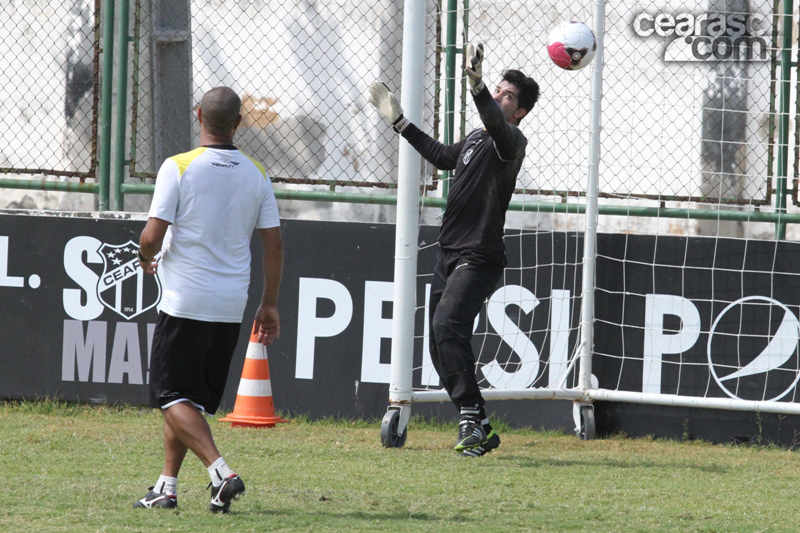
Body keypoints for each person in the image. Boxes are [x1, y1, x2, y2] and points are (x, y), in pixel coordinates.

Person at [369, 44, 539, 457]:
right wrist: (400, 123)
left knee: (447, 325)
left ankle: (470, 416)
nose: (499, 96)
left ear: (519, 112)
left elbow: (495, 122)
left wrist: (477, 86)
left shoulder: (511, 140)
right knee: (438, 340)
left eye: (508, 96)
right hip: (449, 253)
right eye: (497, 90)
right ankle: (479, 425)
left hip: (478, 255)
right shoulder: (478, 137)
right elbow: (443, 157)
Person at [134, 86, 284, 512]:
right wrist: (268, 304)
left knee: (170, 397)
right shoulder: (257, 173)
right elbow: (273, 245)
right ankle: (166, 487)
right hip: (230, 304)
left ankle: (222, 474)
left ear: (198, 115)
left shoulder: (178, 166)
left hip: (186, 300)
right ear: (239, 123)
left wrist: (145, 256)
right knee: (189, 401)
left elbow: (152, 235)